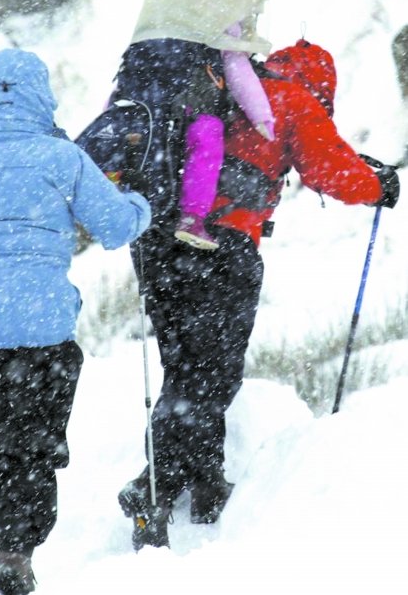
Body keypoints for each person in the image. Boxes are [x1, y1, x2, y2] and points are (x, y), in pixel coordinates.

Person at [87, 38, 400, 551]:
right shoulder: (291, 99)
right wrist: (378, 185)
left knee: (188, 363)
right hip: (221, 244)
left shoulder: (225, 84)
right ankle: (155, 485)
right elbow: (327, 167)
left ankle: (206, 480)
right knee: (211, 370)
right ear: (323, 85)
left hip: (161, 241)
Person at [0, 48, 151, 593]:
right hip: (45, 330)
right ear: (43, 98)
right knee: (36, 444)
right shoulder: (62, 160)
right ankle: (17, 549)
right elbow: (115, 227)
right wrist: (140, 202)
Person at [83, 0, 275, 251]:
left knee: (132, 144)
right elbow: (238, 70)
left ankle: (111, 190)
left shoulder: (162, 18)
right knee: (208, 139)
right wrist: (263, 118)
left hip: (142, 110)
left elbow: (125, 84)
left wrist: (110, 112)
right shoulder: (223, 21)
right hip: (189, 108)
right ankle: (192, 217)